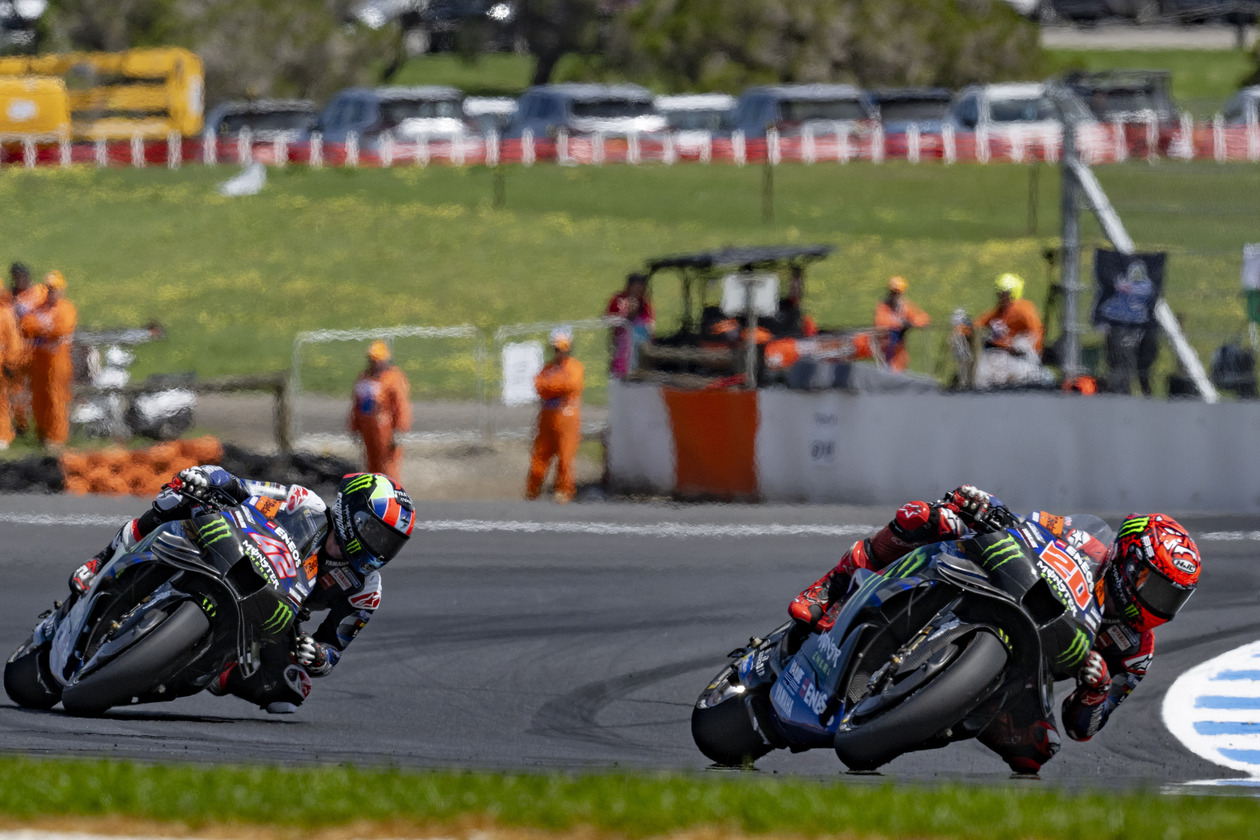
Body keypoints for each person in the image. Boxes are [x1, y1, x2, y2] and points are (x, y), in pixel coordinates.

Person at [788, 485, 1201, 775]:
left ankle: (927, 713)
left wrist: (1095, 691)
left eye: (1172, 599)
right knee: (932, 516)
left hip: (1029, 675)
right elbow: (1027, 527)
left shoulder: (1135, 649)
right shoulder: (1084, 540)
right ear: (1128, 561)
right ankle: (833, 586)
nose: (1158, 605)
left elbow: (1084, 727)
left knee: (1036, 752)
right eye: (1156, 588)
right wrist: (988, 507)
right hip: (1007, 588)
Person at [67, 466, 416, 714]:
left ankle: (216, 669)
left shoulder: (365, 588)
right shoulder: (302, 503)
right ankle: (102, 560)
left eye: (391, 543)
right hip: (235, 549)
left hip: (278, 611)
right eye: (375, 532)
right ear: (351, 512)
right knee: (182, 496)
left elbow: (333, 650)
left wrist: (317, 655)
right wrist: (208, 479)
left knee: (292, 692)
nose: (380, 548)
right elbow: (241, 486)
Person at [19, 270, 77, 449]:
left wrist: (43, 328)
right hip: (39, 360)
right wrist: (46, 328)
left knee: (56, 398)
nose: (52, 293)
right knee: (39, 398)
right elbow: (26, 325)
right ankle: (42, 435)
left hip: (58, 361)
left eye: (55, 289)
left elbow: (62, 329)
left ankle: (57, 438)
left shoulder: (66, 308)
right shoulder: (39, 307)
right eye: (49, 289)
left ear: (62, 289)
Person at [527, 326, 584, 503]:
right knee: (540, 455)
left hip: (567, 416)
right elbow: (539, 385)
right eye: (557, 348)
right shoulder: (548, 368)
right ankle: (532, 490)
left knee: (565, 457)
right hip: (547, 416)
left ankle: (564, 491)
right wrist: (554, 387)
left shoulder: (575, 367)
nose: (560, 352)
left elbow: (570, 385)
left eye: (563, 348)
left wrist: (552, 387)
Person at [972, 273, 1049, 389]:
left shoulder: (1023, 310)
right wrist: (963, 327)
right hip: (997, 355)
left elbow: (1036, 332)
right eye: (1000, 293)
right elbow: (977, 324)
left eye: (1005, 294)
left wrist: (1020, 345)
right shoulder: (998, 312)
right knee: (982, 371)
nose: (1002, 297)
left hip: (1018, 357)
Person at [348, 340, 412, 481]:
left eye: (376, 360)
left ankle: (392, 496)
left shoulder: (394, 378)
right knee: (371, 466)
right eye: (371, 360)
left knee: (388, 466)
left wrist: (399, 430)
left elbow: (401, 406)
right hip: (367, 429)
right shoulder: (364, 378)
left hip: (386, 430)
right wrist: (354, 427)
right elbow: (356, 405)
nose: (373, 364)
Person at [5, 262, 43, 437]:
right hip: (18, 349)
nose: (19, 280)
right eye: (16, 277)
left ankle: (42, 425)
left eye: (21, 276)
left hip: (38, 347)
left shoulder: (39, 292)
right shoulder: (10, 296)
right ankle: (21, 425)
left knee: (39, 387)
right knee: (17, 388)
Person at [873, 276, 930, 371]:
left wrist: (912, 323)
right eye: (893, 292)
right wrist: (900, 324)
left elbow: (924, 319)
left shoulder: (904, 306)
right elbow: (880, 324)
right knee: (887, 373)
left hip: (900, 351)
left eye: (898, 292)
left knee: (900, 372)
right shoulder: (883, 306)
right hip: (886, 349)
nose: (895, 295)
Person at [606, 272, 655, 379]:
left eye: (642, 289)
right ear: (629, 286)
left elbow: (650, 324)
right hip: (620, 342)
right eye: (637, 288)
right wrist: (622, 317)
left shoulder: (645, 302)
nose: (639, 292)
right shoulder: (618, 299)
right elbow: (607, 319)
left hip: (639, 341)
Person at [769, 266, 818, 339]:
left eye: (796, 285)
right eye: (792, 284)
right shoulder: (776, 305)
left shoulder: (794, 309)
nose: (794, 287)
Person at [0, 291, 21, 449]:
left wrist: (10, 364)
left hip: (1, 364)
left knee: (2, 401)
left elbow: (13, 342)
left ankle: (3, 436)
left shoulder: (6, 313)